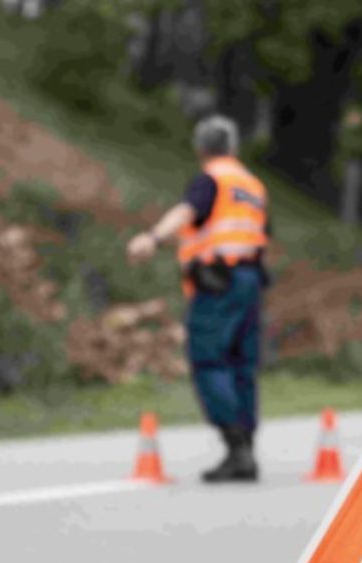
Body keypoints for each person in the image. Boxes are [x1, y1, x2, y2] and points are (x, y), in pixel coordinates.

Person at [126, 115, 269, 483]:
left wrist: (153, 238)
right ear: (234, 146)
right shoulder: (252, 185)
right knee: (241, 363)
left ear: (201, 148)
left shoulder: (212, 179)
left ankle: (235, 446)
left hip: (217, 281)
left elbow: (188, 211)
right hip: (249, 279)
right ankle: (246, 450)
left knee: (209, 359)